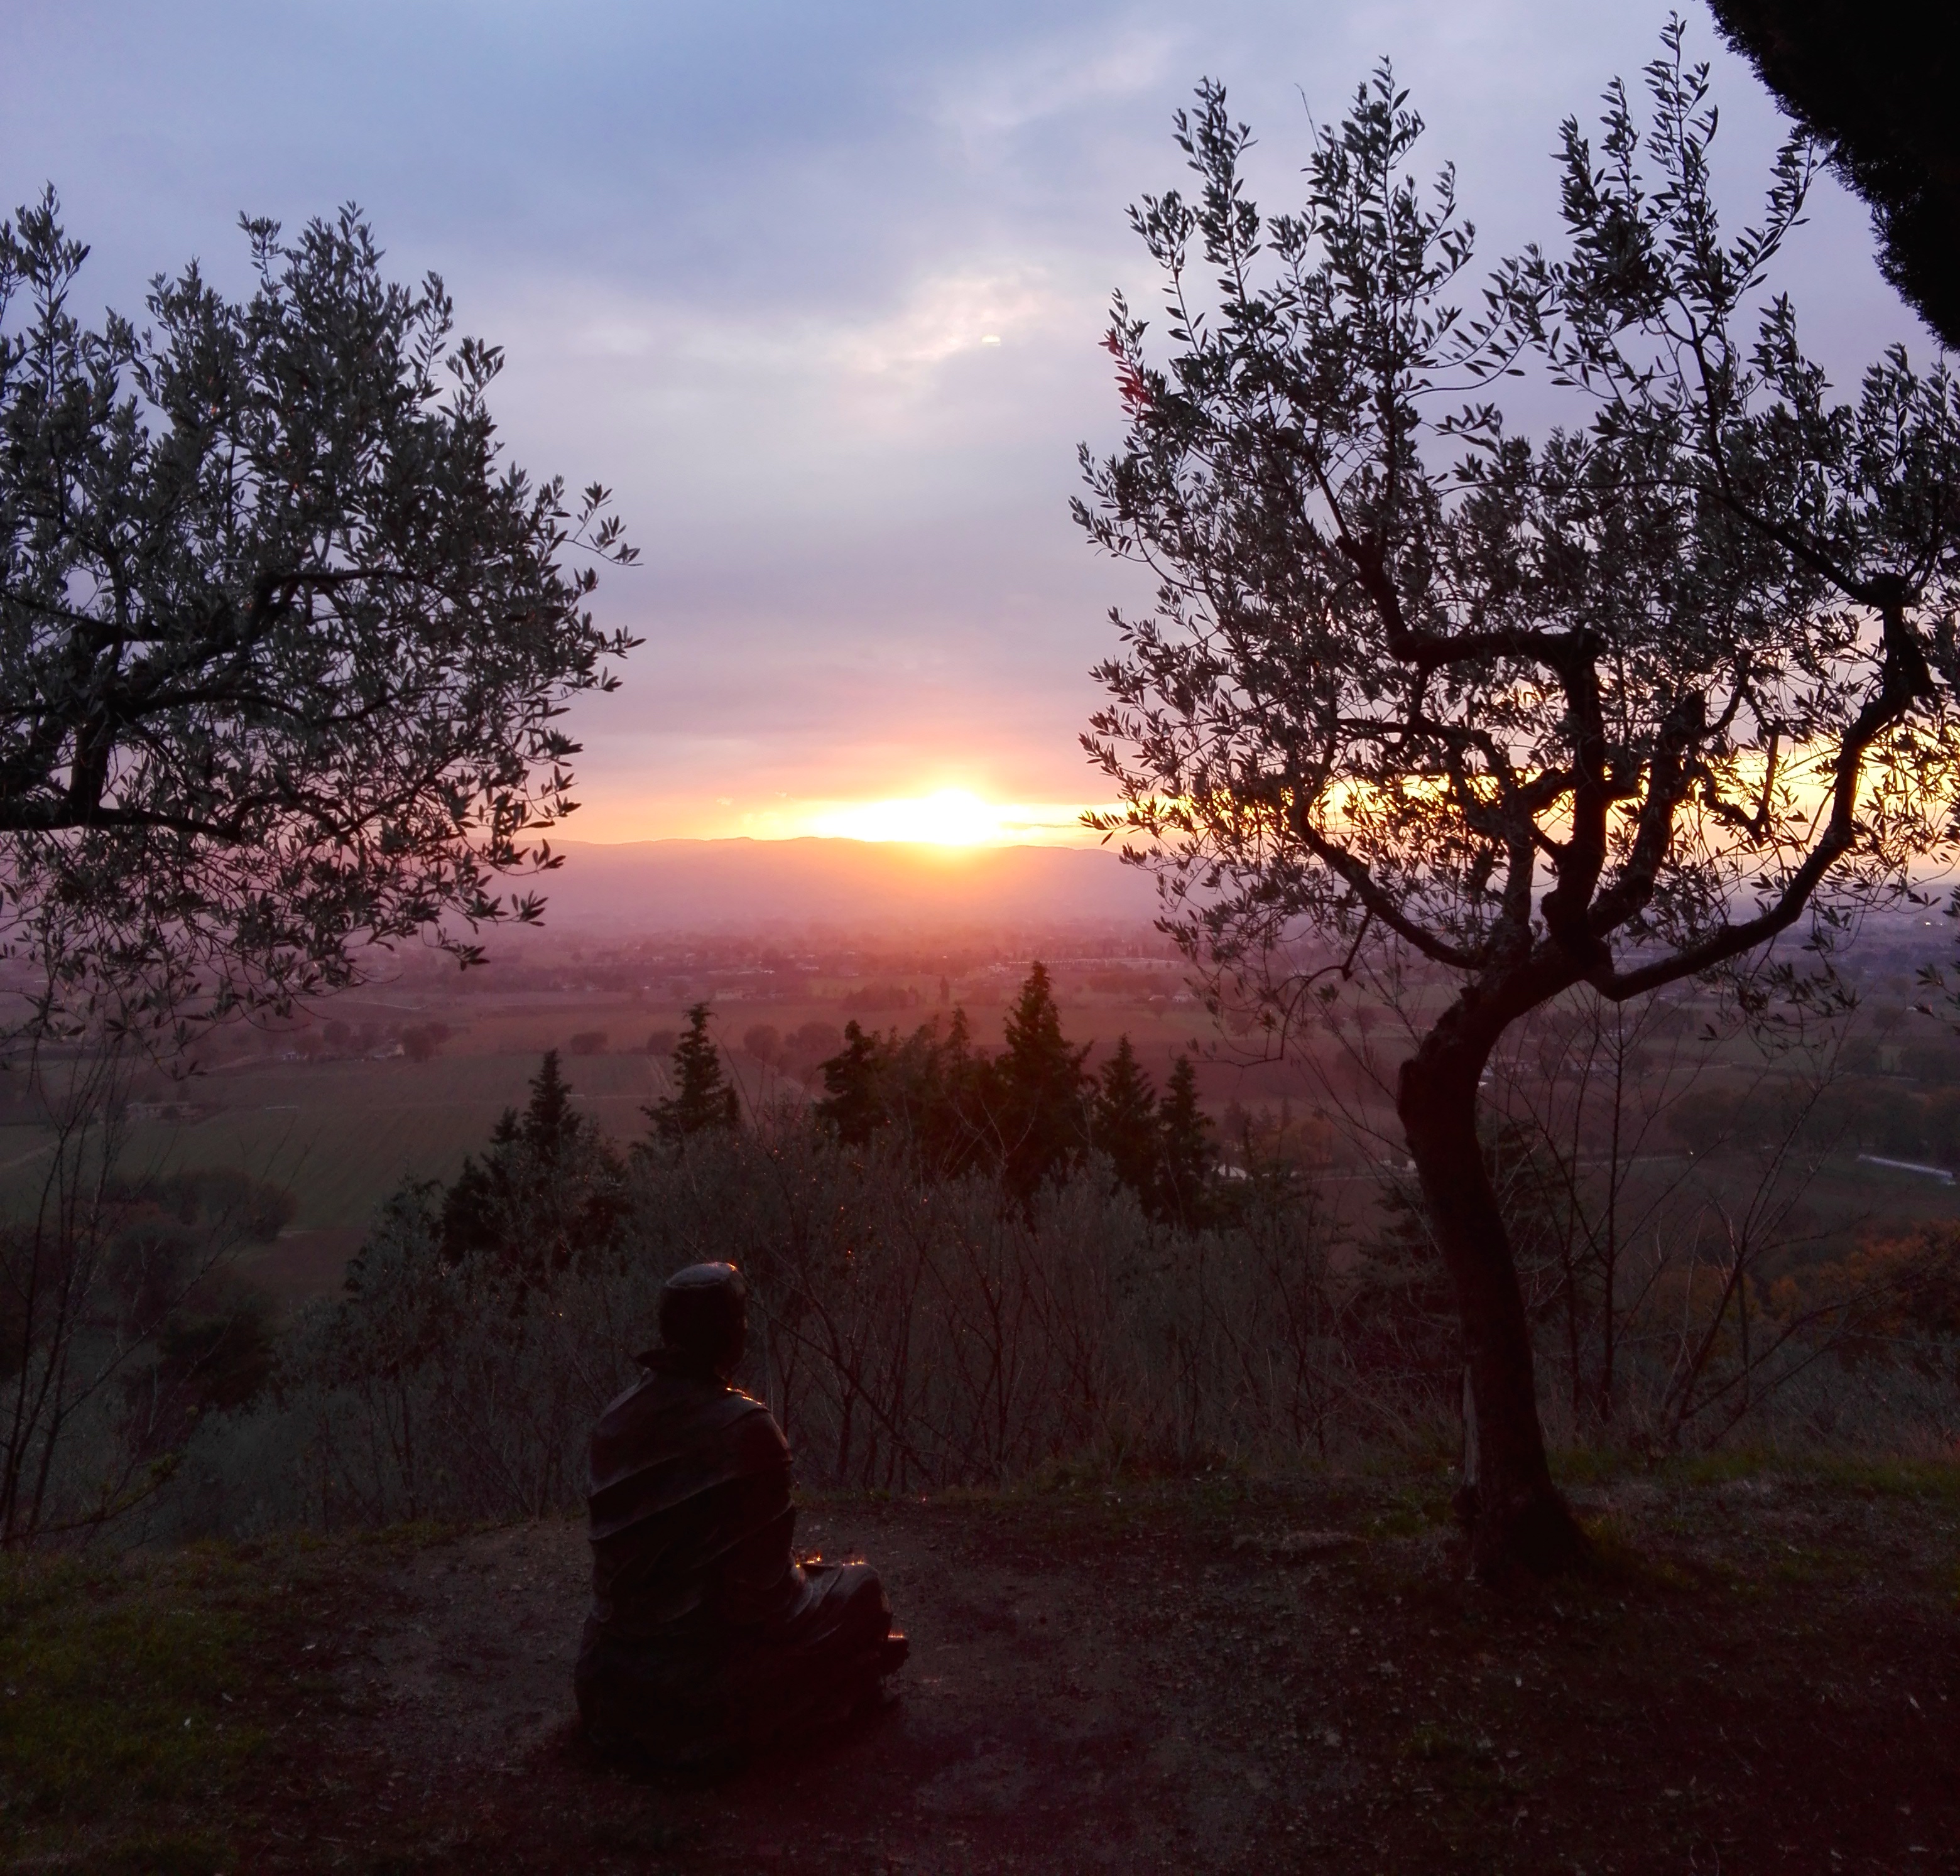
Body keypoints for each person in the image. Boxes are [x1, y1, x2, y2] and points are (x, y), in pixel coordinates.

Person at [574, 1261, 907, 1764]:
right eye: (742, 1320)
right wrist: (816, 1580)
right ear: (725, 1332)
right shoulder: (747, 1427)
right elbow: (767, 1606)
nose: (747, 1332)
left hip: (612, 1668)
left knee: (828, 1582)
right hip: (703, 1672)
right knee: (862, 1590)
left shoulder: (613, 1421)